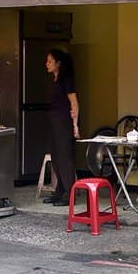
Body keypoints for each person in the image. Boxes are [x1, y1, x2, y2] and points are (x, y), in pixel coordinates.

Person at [43, 49, 80, 206]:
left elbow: (74, 103)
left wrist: (75, 125)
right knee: (56, 157)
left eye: (50, 61)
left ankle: (68, 194)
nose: (47, 64)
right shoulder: (56, 80)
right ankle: (60, 190)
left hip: (64, 122)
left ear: (58, 63)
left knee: (64, 157)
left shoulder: (66, 79)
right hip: (54, 121)